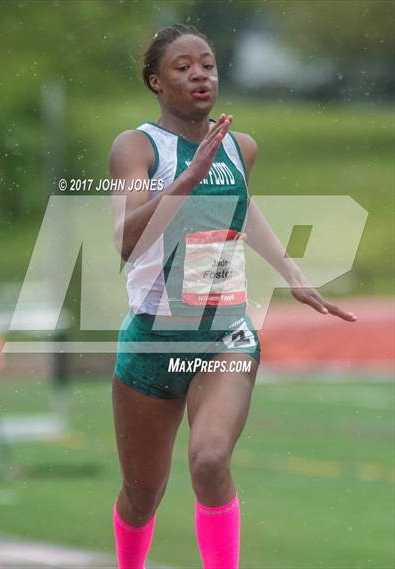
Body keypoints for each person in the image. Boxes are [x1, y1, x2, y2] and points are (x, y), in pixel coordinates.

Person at [109, 24, 356, 569]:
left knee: (210, 460)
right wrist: (188, 178)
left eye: (208, 64)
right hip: (152, 340)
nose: (200, 73)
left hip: (225, 335)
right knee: (142, 494)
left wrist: (291, 271)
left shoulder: (239, 147)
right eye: (183, 66)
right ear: (155, 81)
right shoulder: (136, 147)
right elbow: (126, 239)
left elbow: (245, 210)